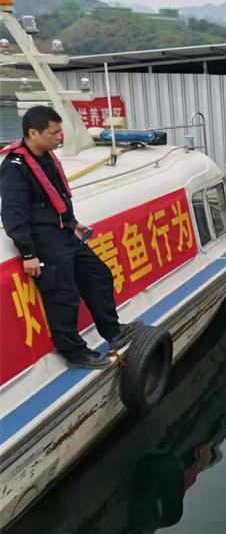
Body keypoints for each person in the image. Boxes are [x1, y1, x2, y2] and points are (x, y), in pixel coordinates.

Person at [0, 106, 139, 369]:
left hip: (63, 234)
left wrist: (72, 223)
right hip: (44, 242)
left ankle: (113, 332)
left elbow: (56, 198)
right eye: (53, 133)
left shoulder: (46, 156)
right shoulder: (15, 167)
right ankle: (75, 353)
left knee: (98, 275)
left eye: (60, 131)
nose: (60, 137)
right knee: (62, 296)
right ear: (33, 133)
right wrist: (28, 253)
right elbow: (13, 213)